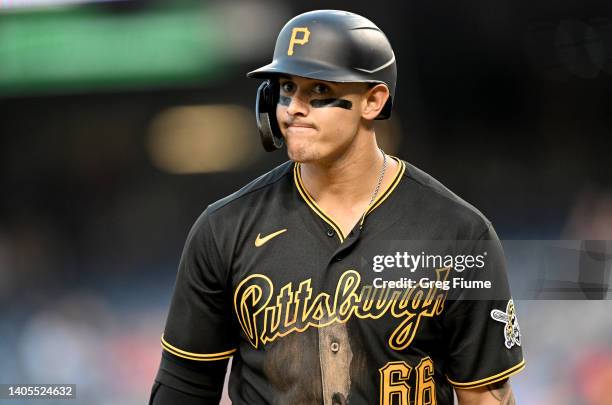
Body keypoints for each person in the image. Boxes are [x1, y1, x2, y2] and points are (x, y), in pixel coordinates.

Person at [149, 9, 525, 405]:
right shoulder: (224, 229)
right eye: (286, 89)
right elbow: (184, 388)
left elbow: (484, 396)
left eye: (319, 92)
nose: (293, 107)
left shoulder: (459, 233)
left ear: (374, 101)